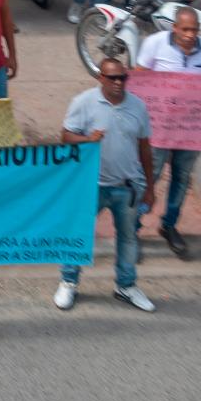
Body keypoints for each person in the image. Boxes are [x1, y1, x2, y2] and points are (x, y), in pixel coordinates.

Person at [55, 58, 157, 313]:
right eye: (112, 78)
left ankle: (126, 285)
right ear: (101, 78)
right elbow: (66, 137)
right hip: (91, 185)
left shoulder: (138, 107)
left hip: (127, 186)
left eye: (123, 78)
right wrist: (88, 139)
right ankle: (69, 282)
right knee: (77, 234)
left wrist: (150, 187)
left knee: (128, 238)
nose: (118, 83)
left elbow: (145, 147)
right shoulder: (83, 102)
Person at [133, 7, 201, 259]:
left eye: (195, 30)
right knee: (150, 175)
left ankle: (169, 225)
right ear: (175, 28)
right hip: (157, 126)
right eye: (185, 29)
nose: (190, 35)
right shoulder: (154, 44)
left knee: (182, 177)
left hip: (190, 129)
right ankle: (132, 229)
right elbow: (139, 79)